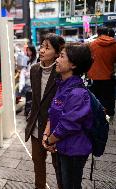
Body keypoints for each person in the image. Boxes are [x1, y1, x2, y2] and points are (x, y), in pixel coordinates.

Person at [43, 43, 93, 189]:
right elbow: (52, 113)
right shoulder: (63, 85)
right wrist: (47, 134)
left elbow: (68, 125)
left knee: (70, 184)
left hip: (74, 151)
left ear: (74, 65)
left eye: (62, 56)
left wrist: (49, 140)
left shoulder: (77, 93)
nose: (57, 60)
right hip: (62, 146)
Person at [25, 33, 65, 189]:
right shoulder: (34, 69)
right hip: (36, 126)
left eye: (47, 48)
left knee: (58, 166)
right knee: (38, 164)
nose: (41, 50)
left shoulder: (61, 72)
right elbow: (36, 100)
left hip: (55, 129)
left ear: (56, 53)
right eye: (41, 46)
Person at [87, 27, 116, 124]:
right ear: (107, 33)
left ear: (98, 33)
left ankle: (97, 115)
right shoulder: (114, 44)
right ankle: (109, 115)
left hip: (94, 76)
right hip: (109, 75)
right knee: (108, 96)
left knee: (96, 97)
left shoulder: (92, 44)